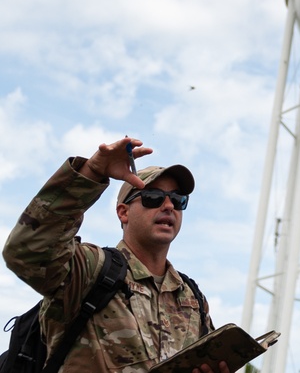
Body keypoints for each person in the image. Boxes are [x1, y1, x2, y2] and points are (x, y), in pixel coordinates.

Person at [3, 136, 229, 373]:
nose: (168, 206)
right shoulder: (90, 270)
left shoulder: (192, 298)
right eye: (153, 197)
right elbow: (26, 250)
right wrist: (91, 172)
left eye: (177, 199)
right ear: (123, 212)